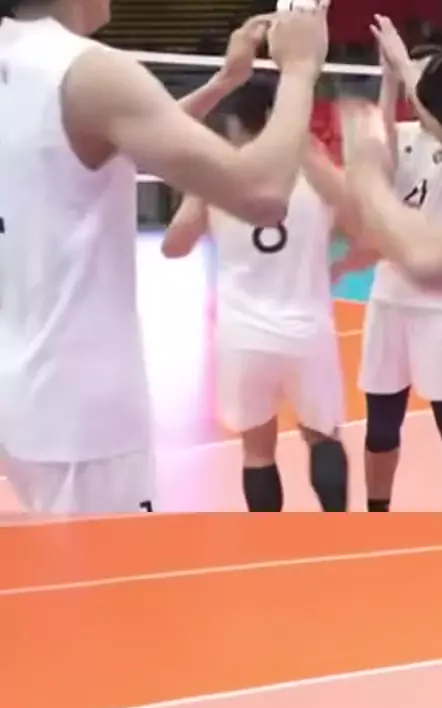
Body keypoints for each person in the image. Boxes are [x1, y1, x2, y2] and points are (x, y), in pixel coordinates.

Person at [0, 0, 329, 515]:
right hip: (82, 418)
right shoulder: (86, 69)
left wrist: (222, 83)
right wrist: (300, 69)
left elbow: (107, 134)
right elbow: (262, 194)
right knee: (111, 568)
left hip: (20, 392)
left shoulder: (25, 61)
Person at [162, 80, 359, 512]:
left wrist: (198, 192)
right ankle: (341, 533)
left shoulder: (218, 179)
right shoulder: (315, 174)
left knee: (257, 451)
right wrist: (341, 263)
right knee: (323, 436)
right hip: (307, 331)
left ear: (235, 125)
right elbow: (362, 223)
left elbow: (173, 246)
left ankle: (269, 540)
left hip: (243, 336)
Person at [340, 10, 442, 515]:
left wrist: (410, 66)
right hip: (392, 297)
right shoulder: (398, 131)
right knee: (380, 425)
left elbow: (440, 119)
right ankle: (377, 516)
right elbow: (379, 164)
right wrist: (387, 81)